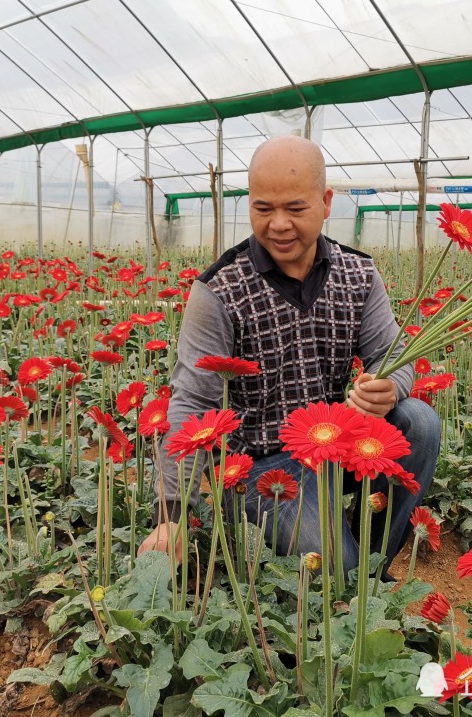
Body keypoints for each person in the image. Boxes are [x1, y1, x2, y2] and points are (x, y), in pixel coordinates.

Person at [137, 135, 440, 575]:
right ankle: (351, 574)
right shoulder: (219, 291)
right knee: (335, 566)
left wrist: (390, 385)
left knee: (419, 422)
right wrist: (170, 516)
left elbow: (394, 353)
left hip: (331, 444)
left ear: (325, 202)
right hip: (257, 466)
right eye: (263, 209)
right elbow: (192, 403)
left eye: (295, 209)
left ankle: (371, 563)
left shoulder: (358, 274)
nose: (278, 224)